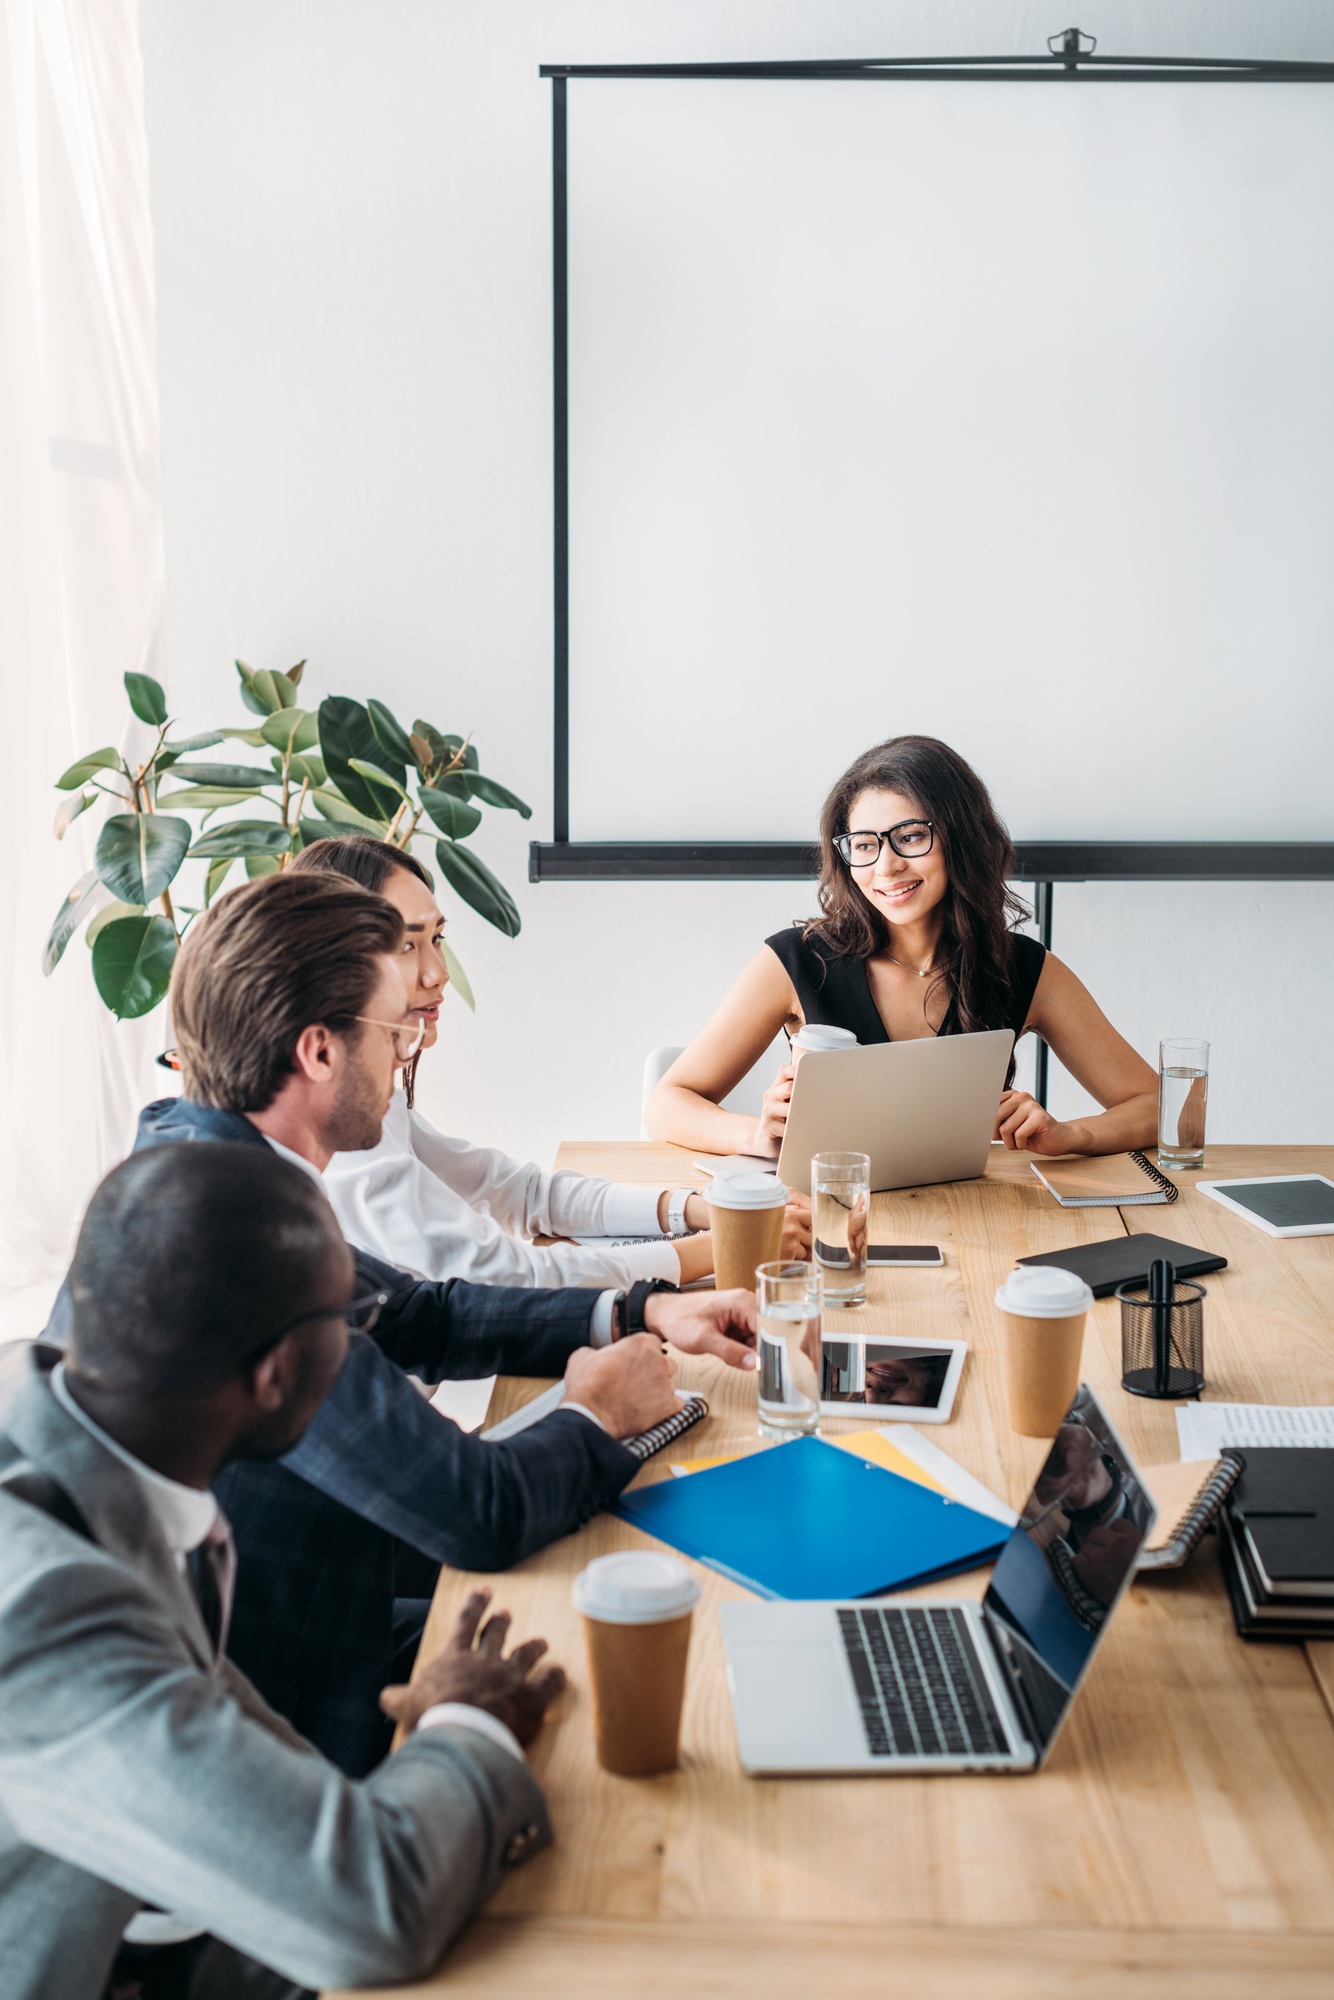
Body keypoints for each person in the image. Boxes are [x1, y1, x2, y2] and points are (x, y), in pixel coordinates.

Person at [46, 871, 760, 1777]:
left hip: (307, 1603)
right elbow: (481, 1513)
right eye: (394, 1029)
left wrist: (640, 1307)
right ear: (318, 1052)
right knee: (646, 1650)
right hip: (285, 1711)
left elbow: (418, 1310)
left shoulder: (195, 1157)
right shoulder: (241, 1243)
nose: (411, 1045)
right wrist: (599, 1413)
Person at [1, 1144, 566, 2000]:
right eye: (345, 1328)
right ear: (276, 1373)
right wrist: (466, 1723)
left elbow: (225, 1733)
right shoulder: (46, 1607)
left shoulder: (83, 1459)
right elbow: (375, 1906)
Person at [288, 835, 809, 1286]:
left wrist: (704, 1210)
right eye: (406, 946)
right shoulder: (340, 1138)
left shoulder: (376, 1104)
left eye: (438, 940)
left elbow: (523, 1191)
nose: (438, 973)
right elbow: (509, 1275)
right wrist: (727, 1246)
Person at [645, 735, 1158, 1160]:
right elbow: (667, 1103)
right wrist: (754, 1137)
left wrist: (1071, 1135)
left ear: (962, 838)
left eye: (910, 837)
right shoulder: (794, 961)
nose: (885, 867)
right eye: (865, 844)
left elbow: (1159, 1104)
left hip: (974, 1218)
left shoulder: (1024, 967)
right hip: (829, 1217)